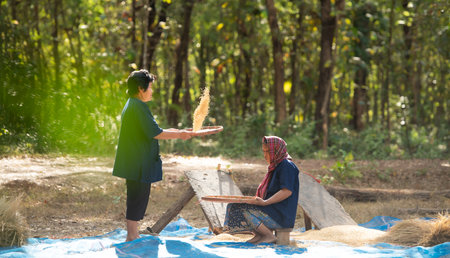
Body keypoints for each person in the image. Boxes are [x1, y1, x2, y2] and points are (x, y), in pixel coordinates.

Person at [112, 69, 219, 242]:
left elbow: (154, 130)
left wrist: (180, 131)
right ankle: (131, 235)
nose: (152, 91)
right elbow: (156, 133)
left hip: (135, 160)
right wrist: (180, 134)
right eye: (150, 87)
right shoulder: (137, 106)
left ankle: (133, 233)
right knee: (137, 197)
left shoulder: (133, 104)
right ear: (141, 88)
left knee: (138, 196)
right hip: (137, 161)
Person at [223, 136, 299, 244]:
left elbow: (287, 191)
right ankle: (259, 235)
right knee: (233, 206)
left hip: (281, 215)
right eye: (263, 151)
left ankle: (268, 236)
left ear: (276, 150)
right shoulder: (276, 166)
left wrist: (265, 202)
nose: (265, 155)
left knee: (241, 208)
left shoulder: (287, 166)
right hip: (271, 210)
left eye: (268, 151)